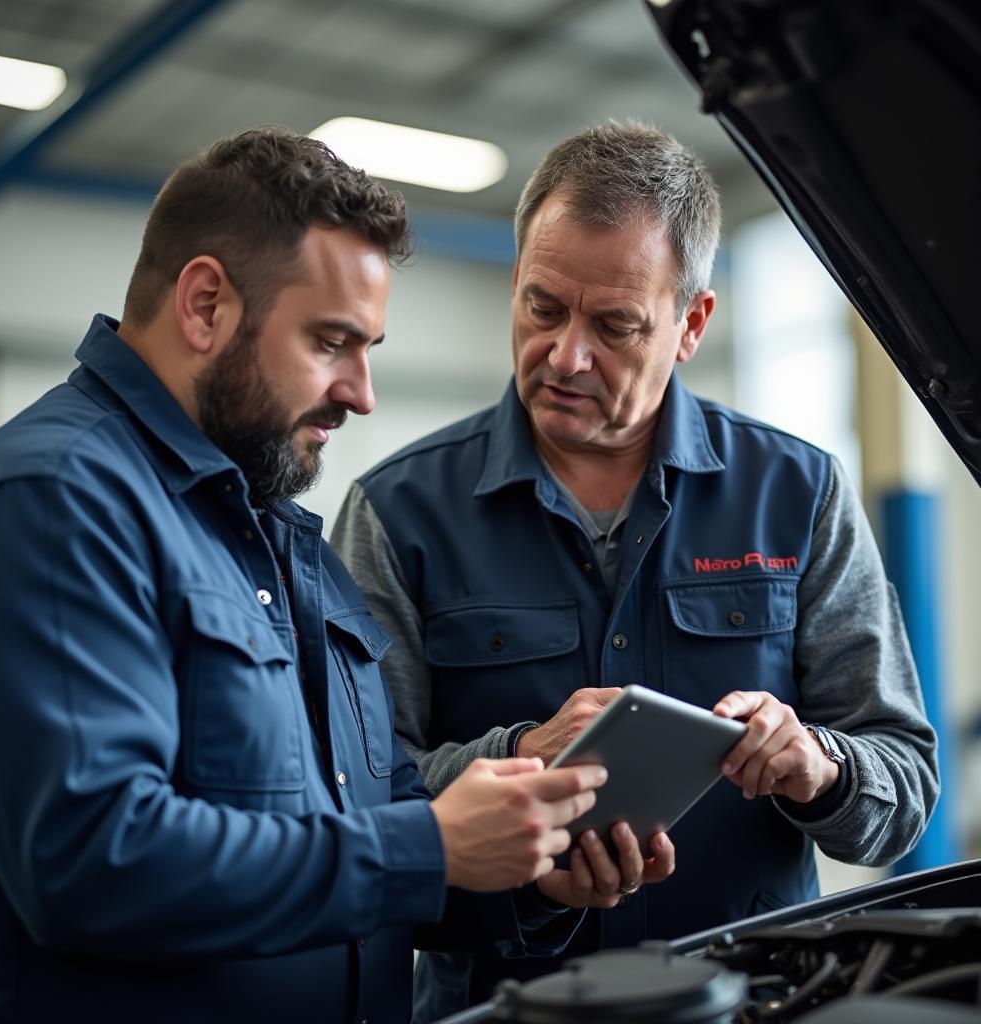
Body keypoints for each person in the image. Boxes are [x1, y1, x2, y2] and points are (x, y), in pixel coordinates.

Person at [0, 127, 677, 1024]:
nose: (361, 391)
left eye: (368, 347)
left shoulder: (278, 532)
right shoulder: (57, 501)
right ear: (206, 304)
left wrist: (528, 873)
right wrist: (427, 847)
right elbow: (91, 863)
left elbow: (363, 829)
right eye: (333, 342)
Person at [331, 120, 940, 1020]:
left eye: (616, 325)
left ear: (692, 323)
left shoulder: (797, 494)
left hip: (755, 1000)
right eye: (543, 308)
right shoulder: (396, 513)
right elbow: (357, 802)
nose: (567, 355)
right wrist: (517, 764)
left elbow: (906, 787)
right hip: (509, 1004)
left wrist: (819, 765)